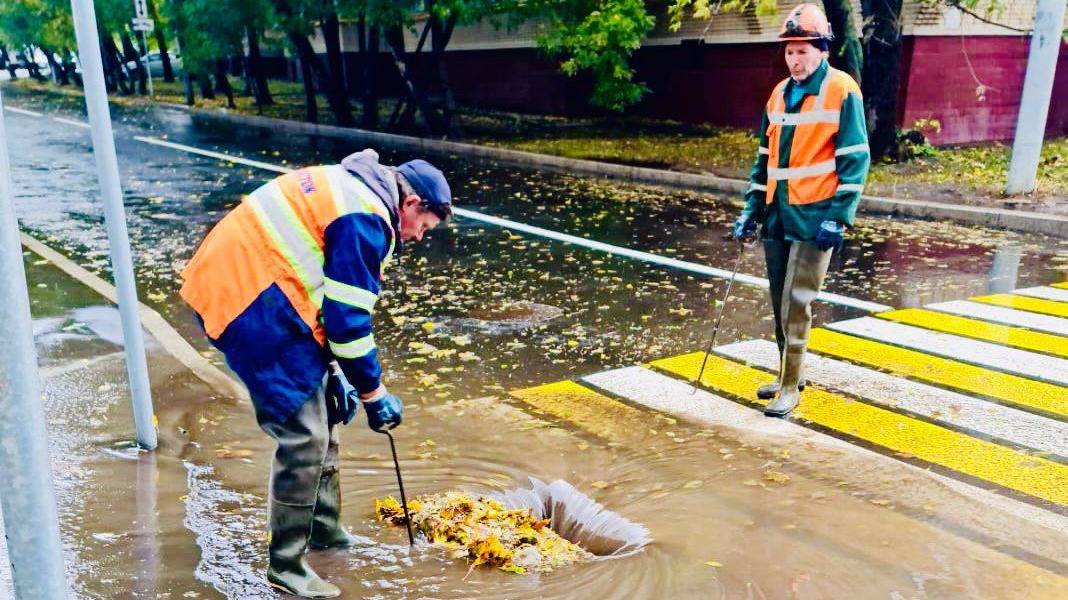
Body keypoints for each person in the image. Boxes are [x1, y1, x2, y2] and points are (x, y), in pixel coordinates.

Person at [179, 149, 452, 598]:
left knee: (325, 411)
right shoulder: (365, 219)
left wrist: (337, 375)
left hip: (259, 284)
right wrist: (372, 392)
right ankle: (285, 565)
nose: (420, 237)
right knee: (304, 435)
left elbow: (325, 293)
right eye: (425, 227)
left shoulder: (355, 191)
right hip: (251, 300)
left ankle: (326, 533)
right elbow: (347, 321)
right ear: (411, 204)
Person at [731, 3, 870, 418]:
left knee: (797, 301)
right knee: (779, 299)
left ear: (822, 49)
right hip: (777, 211)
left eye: (803, 50)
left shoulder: (842, 89)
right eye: (790, 51)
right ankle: (788, 371)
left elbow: (855, 158)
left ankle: (790, 388)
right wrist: (751, 210)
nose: (795, 59)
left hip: (816, 215)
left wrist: (839, 216)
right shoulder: (779, 93)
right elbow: (764, 157)